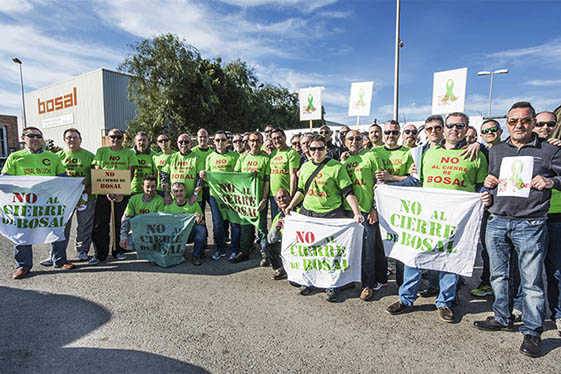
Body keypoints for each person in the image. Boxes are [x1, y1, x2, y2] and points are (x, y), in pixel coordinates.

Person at [474, 102, 561, 358]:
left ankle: (533, 331)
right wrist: (487, 190)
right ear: (507, 124)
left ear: (533, 122)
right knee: (499, 276)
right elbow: (491, 184)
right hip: (497, 221)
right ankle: (502, 317)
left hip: (531, 224)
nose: (519, 126)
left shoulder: (548, 150)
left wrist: (551, 181)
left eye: (524, 120)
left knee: (531, 281)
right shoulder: (497, 150)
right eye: (513, 121)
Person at [387, 112, 491, 323]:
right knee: (414, 256)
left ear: (466, 128)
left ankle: (445, 301)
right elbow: (417, 182)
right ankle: (406, 299)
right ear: (444, 128)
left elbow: (481, 185)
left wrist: (485, 195)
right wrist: (387, 188)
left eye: (460, 126)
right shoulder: (429, 154)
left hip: (458, 219)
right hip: (427, 216)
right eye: (450, 125)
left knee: (450, 261)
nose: (454, 129)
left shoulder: (476, 155)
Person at [285, 135, 364, 302]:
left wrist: (356, 213)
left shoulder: (336, 167)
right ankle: (308, 281)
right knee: (309, 251)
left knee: (331, 254)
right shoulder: (305, 167)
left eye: (320, 148)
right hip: (309, 215)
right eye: (313, 149)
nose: (316, 152)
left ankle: (332, 285)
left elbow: (347, 192)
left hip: (331, 215)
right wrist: (291, 205)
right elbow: (301, 190)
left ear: (326, 149)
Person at [2, 126, 74, 279]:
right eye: (31, 136)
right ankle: (23, 266)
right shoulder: (15, 157)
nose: (35, 139)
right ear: (23, 138)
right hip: (25, 204)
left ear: (42, 139)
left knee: (57, 229)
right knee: (22, 233)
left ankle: (59, 260)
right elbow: (5, 180)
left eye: (38, 136)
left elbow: (63, 179)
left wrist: (77, 183)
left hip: (49, 203)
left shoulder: (53, 157)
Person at [340, 130, 386, 300]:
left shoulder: (371, 156)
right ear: (344, 142)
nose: (354, 141)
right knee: (350, 248)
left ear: (363, 140)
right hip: (346, 211)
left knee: (368, 251)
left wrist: (375, 207)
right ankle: (351, 279)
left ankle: (368, 285)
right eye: (350, 139)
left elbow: (381, 184)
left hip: (367, 211)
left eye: (358, 138)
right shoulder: (343, 161)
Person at [90, 129, 138, 264]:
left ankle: (118, 250)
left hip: (121, 193)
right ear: (108, 138)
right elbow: (98, 170)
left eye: (118, 137)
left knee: (120, 222)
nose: (115, 139)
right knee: (100, 224)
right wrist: (106, 189)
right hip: (103, 192)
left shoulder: (129, 153)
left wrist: (120, 191)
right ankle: (100, 254)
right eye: (112, 137)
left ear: (123, 138)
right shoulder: (101, 151)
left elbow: (131, 172)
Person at [533, 111, 561, 337]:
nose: (544, 128)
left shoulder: (558, 149)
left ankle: (558, 314)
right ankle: (524, 310)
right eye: (540, 124)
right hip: (529, 217)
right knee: (527, 272)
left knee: (555, 270)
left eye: (549, 124)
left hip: (555, 216)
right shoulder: (523, 149)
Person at [200, 130, 241, 261]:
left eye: (223, 140)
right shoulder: (210, 158)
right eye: (217, 140)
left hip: (232, 196)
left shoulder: (234, 156)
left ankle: (235, 249)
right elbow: (208, 179)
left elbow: (239, 176)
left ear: (228, 141)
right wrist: (203, 176)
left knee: (234, 223)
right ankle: (220, 249)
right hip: (215, 196)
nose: (220, 142)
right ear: (214, 142)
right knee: (218, 224)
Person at [57, 128, 96, 262]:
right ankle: (57, 253)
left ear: (80, 139)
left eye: (75, 137)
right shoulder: (58, 156)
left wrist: (92, 187)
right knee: (62, 225)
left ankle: (82, 251)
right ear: (64, 140)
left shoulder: (89, 156)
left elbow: (96, 175)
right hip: (65, 198)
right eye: (69, 137)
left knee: (85, 225)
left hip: (85, 196)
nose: (72, 140)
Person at [233, 131, 270, 264]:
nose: (255, 143)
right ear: (248, 142)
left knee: (262, 227)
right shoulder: (242, 158)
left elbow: (267, 181)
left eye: (258, 141)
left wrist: (264, 199)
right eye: (252, 140)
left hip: (259, 199)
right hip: (245, 200)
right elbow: (235, 178)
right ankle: (244, 251)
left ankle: (265, 254)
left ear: (262, 142)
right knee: (245, 226)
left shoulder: (266, 158)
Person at [161, 182, 207, 265]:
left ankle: (196, 256)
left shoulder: (193, 204)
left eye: (181, 191)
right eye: (176, 191)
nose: (179, 193)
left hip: (189, 234)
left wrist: (199, 219)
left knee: (201, 229)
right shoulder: (168, 207)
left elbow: (202, 222)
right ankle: (172, 253)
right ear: (172, 193)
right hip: (175, 235)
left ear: (185, 192)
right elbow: (163, 225)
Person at [119, 175, 165, 252]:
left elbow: (159, 222)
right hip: (137, 231)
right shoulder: (134, 199)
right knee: (127, 245)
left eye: (153, 186)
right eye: (147, 186)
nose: (150, 189)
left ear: (156, 186)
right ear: (142, 186)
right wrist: (123, 237)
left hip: (152, 232)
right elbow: (126, 219)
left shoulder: (160, 200)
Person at [162, 134, 202, 209]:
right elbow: (164, 177)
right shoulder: (172, 157)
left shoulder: (197, 158)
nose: (183, 144)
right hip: (175, 199)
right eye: (181, 142)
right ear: (177, 143)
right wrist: (166, 194)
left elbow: (200, 178)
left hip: (192, 199)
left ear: (190, 143)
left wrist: (195, 195)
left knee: (198, 220)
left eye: (186, 142)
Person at [269, 128, 300, 220]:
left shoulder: (291, 153)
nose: (276, 140)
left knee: (286, 223)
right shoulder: (272, 154)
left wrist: (291, 195)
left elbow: (293, 175)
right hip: (273, 195)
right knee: (276, 222)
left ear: (285, 137)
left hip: (285, 196)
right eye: (274, 138)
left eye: (279, 137)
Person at [192, 128, 213, 246]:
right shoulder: (193, 152)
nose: (203, 139)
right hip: (198, 188)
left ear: (208, 138)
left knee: (217, 215)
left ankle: (222, 238)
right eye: (200, 137)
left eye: (205, 137)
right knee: (201, 216)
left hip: (210, 188)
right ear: (197, 138)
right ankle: (203, 241)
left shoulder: (212, 152)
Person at [266, 188, 291, 280]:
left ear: (290, 198)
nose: (282, 200)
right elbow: (270, 239)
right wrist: (276, 228)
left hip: (298, 245)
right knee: (268, 246)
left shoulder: (299, 213)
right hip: (285, 245)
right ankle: (280, 269)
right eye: (279, 198)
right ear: (276, 202)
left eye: (284, 196)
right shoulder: (278, 217)